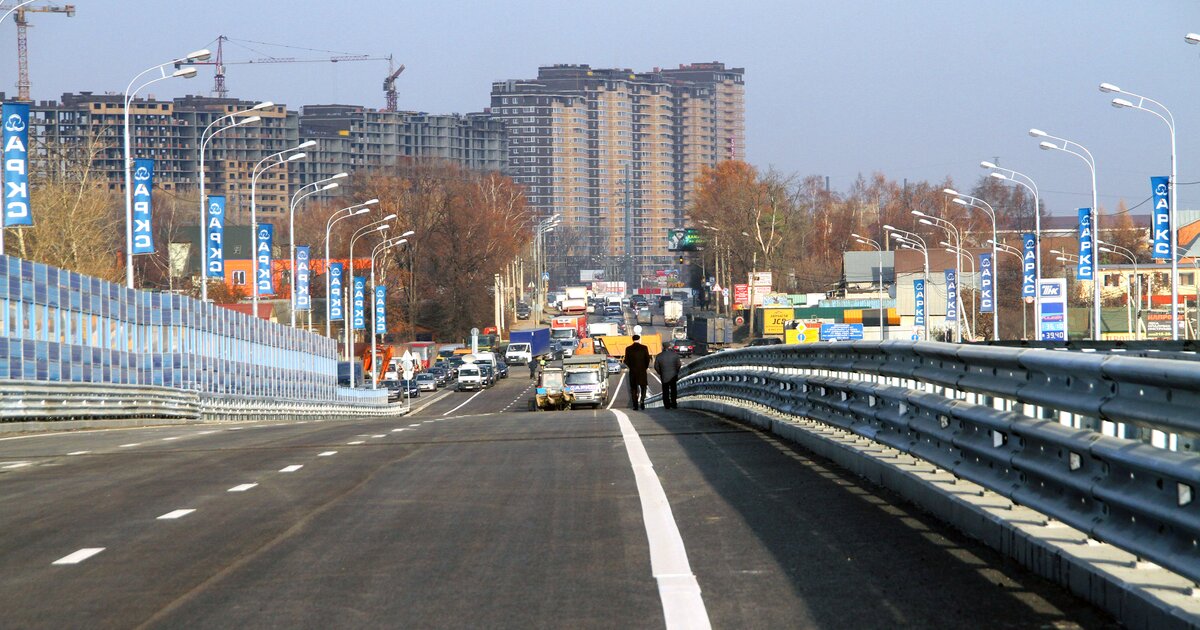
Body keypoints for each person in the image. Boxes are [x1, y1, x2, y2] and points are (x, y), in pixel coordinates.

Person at [623, 334, 651, 410]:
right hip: (642, 371)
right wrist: (644, 367)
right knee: (643, 387)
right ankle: (642, 401)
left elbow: (626, 360)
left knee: (633, 388)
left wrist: (631, 367)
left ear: (632, 340)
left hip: (633, 372)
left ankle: (635, 404)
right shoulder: (644, 348)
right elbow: (647, 359)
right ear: (639, 339)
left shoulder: (628, 349)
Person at [654, 344, 682, 409]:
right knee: (673, 390)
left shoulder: (659, 356)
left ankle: (667, 405)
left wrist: (660, 372)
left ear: (663, 347)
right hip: (673, 375)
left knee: (665, 390)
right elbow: (679, 365)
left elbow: (656, 367)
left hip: (664, 375)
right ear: (669, 347)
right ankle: (674, 403)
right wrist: (676, 371)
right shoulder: (675, 355)